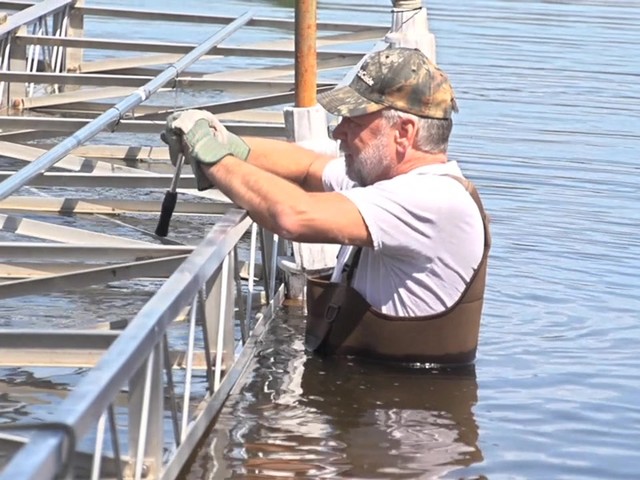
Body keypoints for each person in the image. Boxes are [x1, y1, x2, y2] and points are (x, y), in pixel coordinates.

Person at [162, 46, 491, 366]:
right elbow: (307, 168)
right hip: (365, 400)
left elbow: (291, 215)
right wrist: (228, 143)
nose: (339, 131)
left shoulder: (432, 201)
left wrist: (210, 156)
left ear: (403, 132)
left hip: (406, 413)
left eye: (355, 118)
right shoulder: (383, 184)